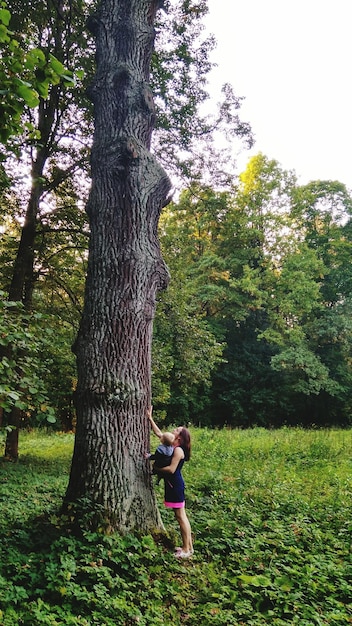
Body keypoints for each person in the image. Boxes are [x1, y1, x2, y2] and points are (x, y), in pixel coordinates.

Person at [147, 406, 193, 559]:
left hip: (175, 485)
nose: (173, 430)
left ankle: (186, 550)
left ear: (180, 437)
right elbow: (159, 433)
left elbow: (172, 470)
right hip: (173, 485)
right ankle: (189, 547)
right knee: (181, 516)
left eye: (176, 430)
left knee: (180, 517)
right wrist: (150, 417)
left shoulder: (178, 450)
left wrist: (155, 469)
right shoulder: (171, 445)